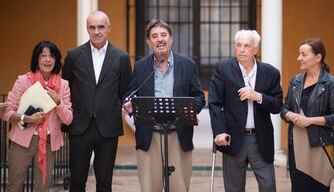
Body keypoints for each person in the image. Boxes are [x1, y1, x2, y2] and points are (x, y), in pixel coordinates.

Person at [123, 19, 205, 192]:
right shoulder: (140, 66)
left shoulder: (187, 65)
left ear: (171, 38)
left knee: (179, 188)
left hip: (178, 135)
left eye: (163, 35)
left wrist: (191, 110)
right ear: (148, 42)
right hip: (149, 136)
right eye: (154, 36)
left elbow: (199, 96)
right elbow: (130, 94)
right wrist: (129, 103)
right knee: (149, 188)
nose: (159, 39)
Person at [62, 11, 132, 192]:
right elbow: (65, 89)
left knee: (104, 183)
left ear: (108, 28)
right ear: (87, 29)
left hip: (108, 129)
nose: (96, 31)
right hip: (80, 127)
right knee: (76, 182)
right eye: (92, 27)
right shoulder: (74, 56)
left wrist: (127, 105)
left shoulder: (122, 58)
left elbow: (126, 92)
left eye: (101, 26)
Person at [208, 29, 283, 192]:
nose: (241, 50)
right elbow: (214, 103)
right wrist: (219, 131)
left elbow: (277, 105)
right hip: (233, 138)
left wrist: (258, 96)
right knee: (233, 188)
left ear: (256, 49)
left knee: (268, 186)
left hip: (261, 138)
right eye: (238, 45)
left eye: (247, 46)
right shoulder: (223, 69)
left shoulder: (270, 72)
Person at [2, 40, 73, 192]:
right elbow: (6, 112)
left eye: (51, 56)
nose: (47, 60)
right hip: (22, 140)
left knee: (43, 187)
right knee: (14, 185)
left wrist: (58, 102)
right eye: (43, 56)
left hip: (48, 142)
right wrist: (28, 119)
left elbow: (68, 119)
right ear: (37, 59)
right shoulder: (23, 81)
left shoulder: (63, 85)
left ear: (56, 60)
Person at [280, 38, 334, 192]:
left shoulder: (333, 84)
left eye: (303, 54)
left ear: (318, 57)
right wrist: (289, 115)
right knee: (298, 187)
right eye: (299, 54)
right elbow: (284, 109)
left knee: (319, 187)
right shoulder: (295, 81)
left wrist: (309, 121)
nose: (299, 58)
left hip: (321, 145)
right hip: (296, 144)